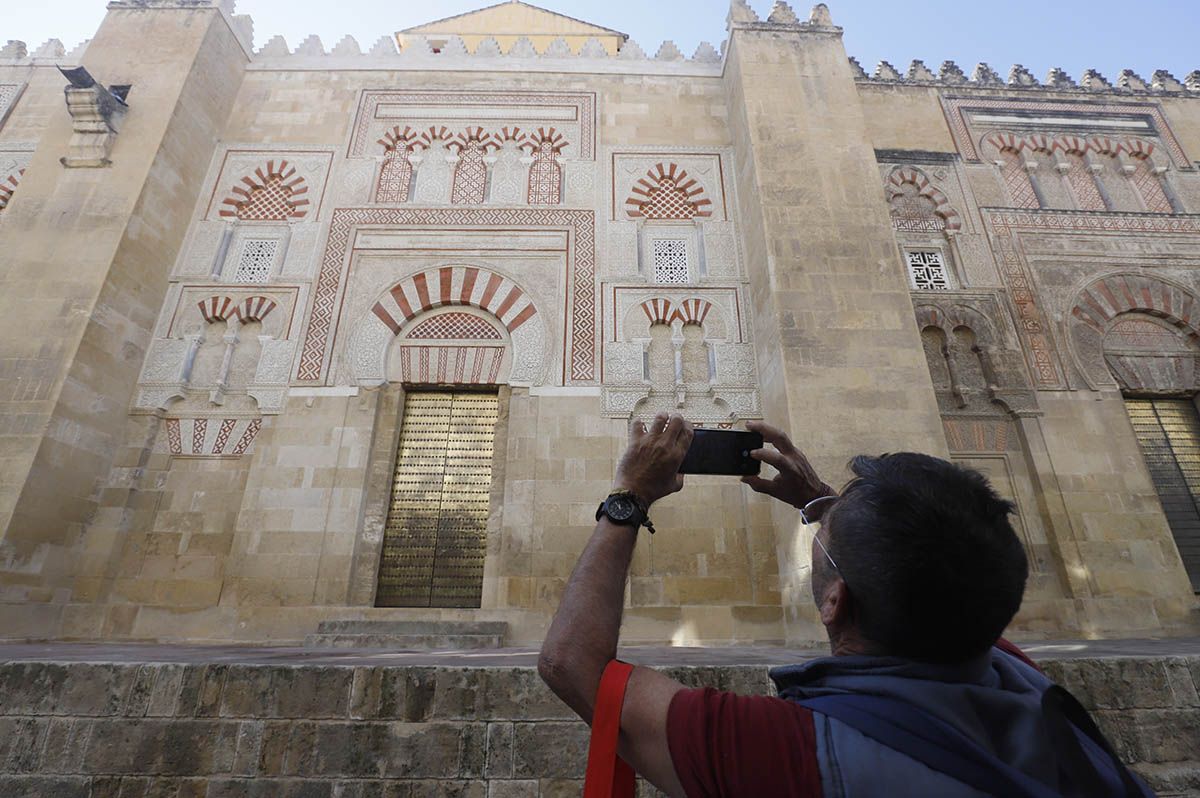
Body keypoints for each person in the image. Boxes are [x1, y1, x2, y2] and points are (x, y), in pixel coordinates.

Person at [538, 412, 1154, 797]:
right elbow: (933, 562)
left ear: (835, 601)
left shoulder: (789, 751)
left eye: (823, 544)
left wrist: (627, 498)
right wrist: (825, 506)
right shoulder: (1023, 685)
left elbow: (573, 665)